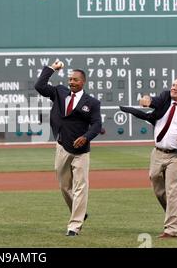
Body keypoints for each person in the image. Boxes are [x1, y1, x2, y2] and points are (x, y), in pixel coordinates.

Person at [120, 77, 177, 238]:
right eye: (173, 85)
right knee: (159, 189)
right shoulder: (166, 97)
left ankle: (172, 230)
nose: (173, 88)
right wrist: (147, 100)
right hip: (157, 153)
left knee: (173, 192)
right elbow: (153, 101)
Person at [35, 61, 102, 236]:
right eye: (70, 79)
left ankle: (74, 225)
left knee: (81, 187)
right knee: (65, 186)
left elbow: (96, 125)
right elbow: (39, 86)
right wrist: (52, 69)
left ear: (83, 82)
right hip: (62, 146)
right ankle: (79, 211)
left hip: (81, 152)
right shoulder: (59, 92)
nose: (71, 82)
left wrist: (86, 137)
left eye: (75, 80)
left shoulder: (92, 103)